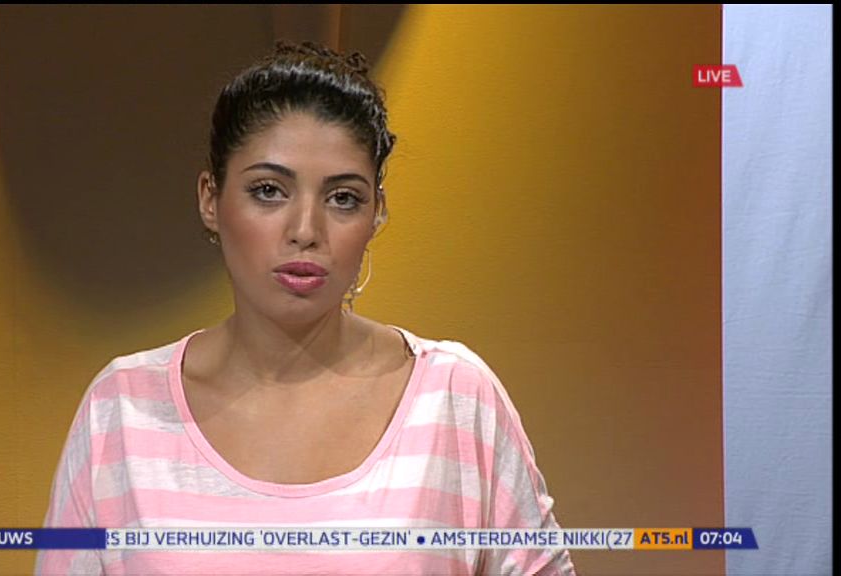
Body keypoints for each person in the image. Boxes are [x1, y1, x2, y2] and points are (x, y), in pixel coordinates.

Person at [37, 40, 576, 575]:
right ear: (210, 199)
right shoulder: (122, 408)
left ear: (376, 214)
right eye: (269, 190)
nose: (305, 230)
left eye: (343, 198)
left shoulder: (455, 399)